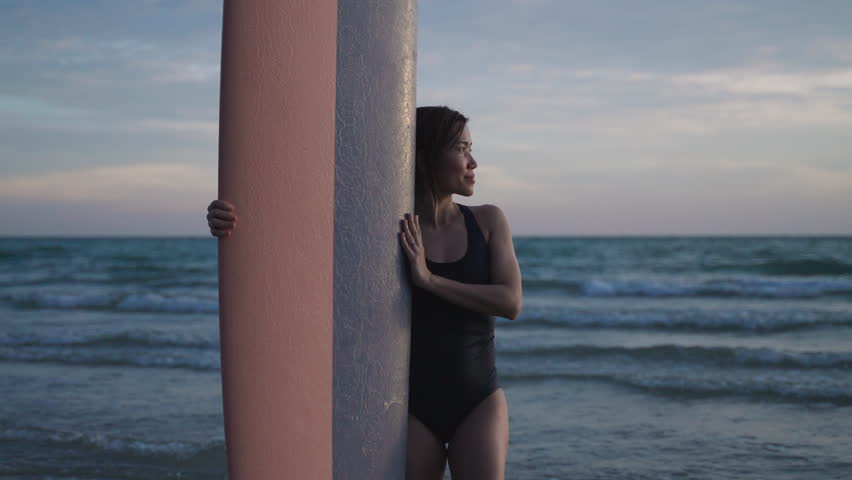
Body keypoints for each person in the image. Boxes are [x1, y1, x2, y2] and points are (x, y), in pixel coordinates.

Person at [206, 105, 523, 480]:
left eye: (470, 148)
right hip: (408, 407)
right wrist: (232, 220)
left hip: (478, 400)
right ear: (423, 157)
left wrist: (429, 280)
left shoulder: (487, 221)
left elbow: (510, 301)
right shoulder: (388, 228)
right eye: (460, 148)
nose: (473, 161)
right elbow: (298, 233)